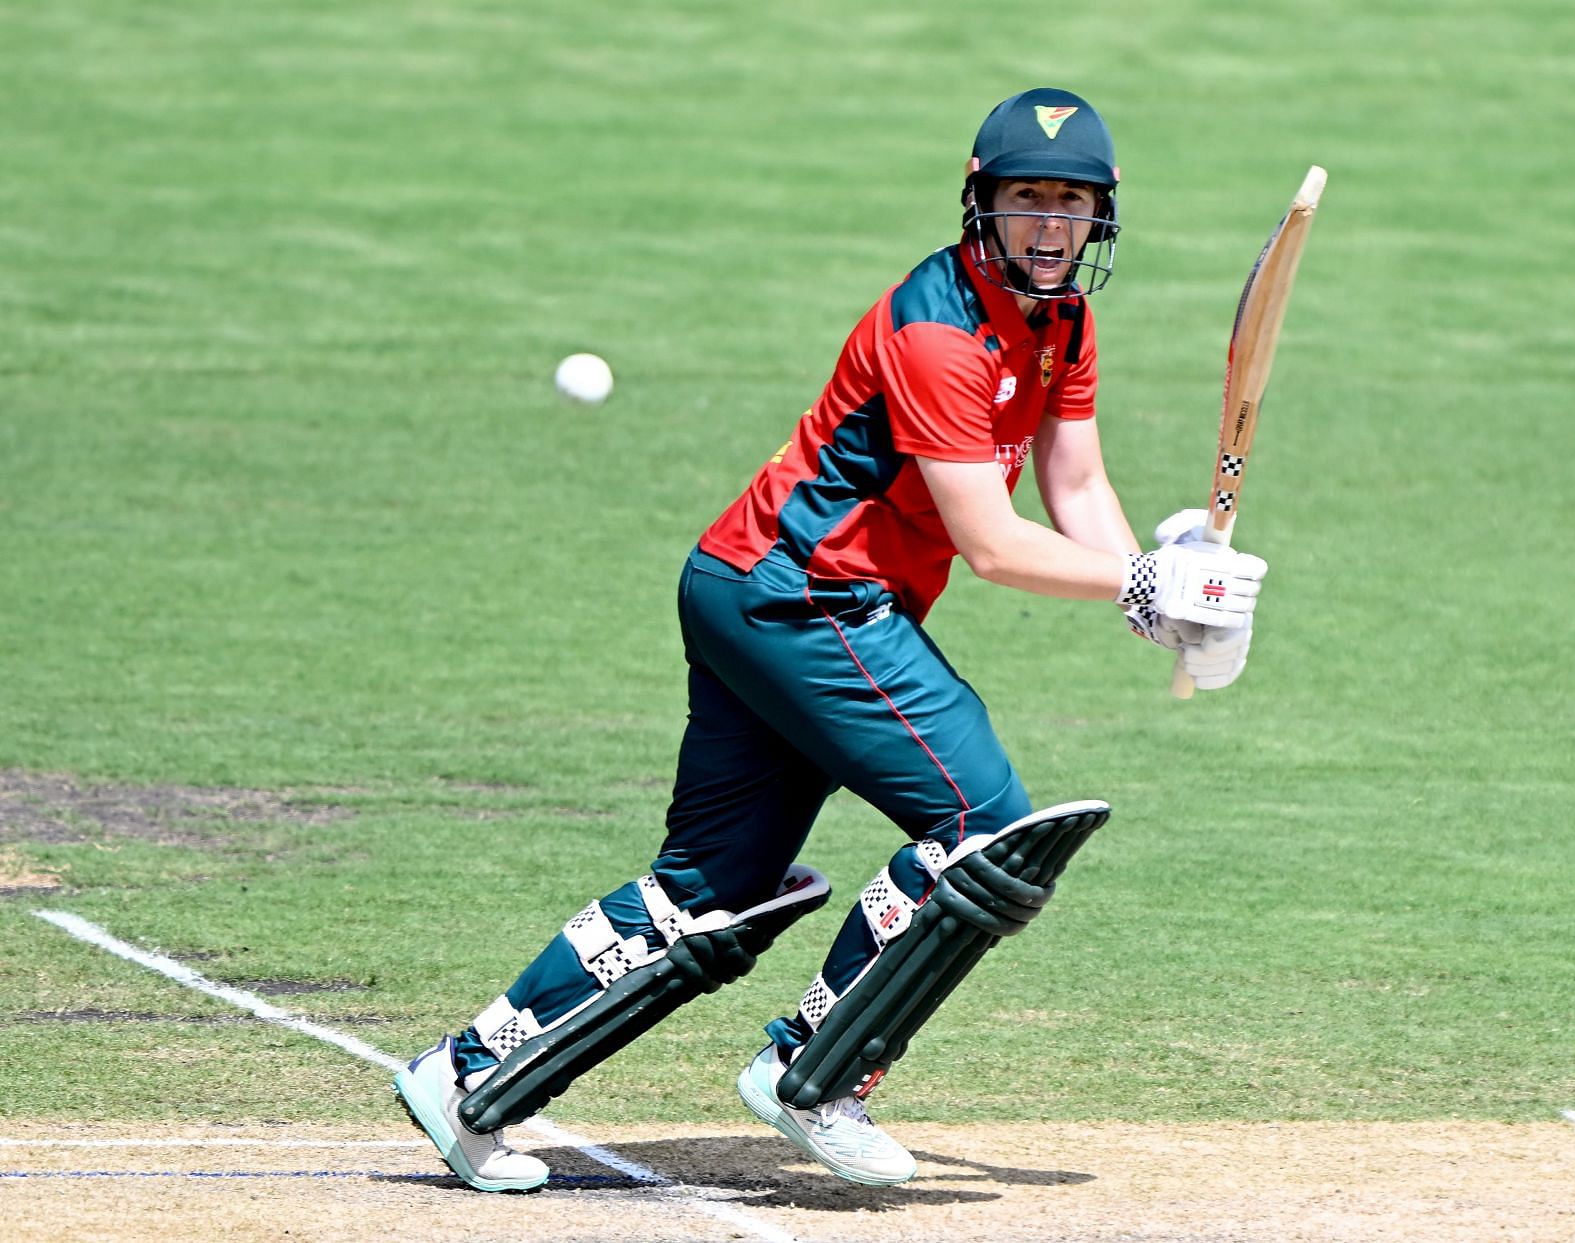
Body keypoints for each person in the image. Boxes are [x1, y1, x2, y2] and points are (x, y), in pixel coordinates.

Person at [393, 86, 1267, 1191]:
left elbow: (1076, 479)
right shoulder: (940, 332)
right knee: (984, 826)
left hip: (750, 587)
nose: (1051, 225)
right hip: (808, 599)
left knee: (710, 887)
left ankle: (468, 1076)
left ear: (1103, 216)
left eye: (1073, 203)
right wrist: (1145, 578)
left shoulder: (1063, 324)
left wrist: (1160, 602)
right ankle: (815, 1072)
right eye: (1028, 199)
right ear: (981, 202)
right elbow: (992, 543)